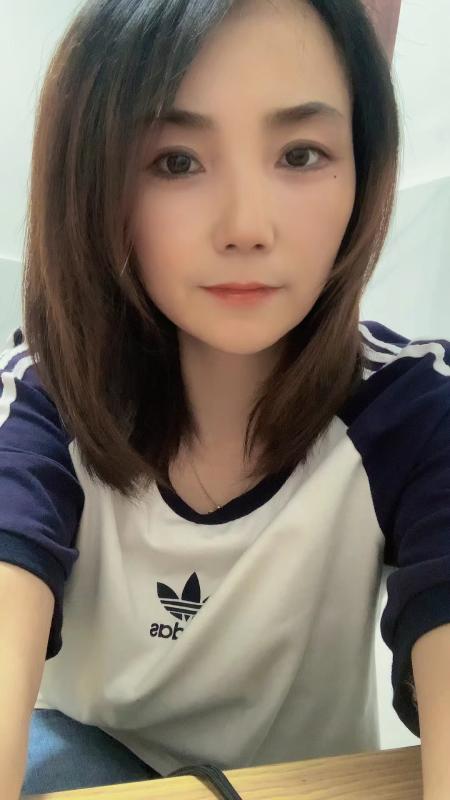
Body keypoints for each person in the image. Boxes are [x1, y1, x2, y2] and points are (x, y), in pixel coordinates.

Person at [0, 0, 449, 796]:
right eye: (176, 161)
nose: (247, 227)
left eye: (301, 154)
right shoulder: (44, 395)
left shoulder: (414, 411)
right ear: (95, 182)